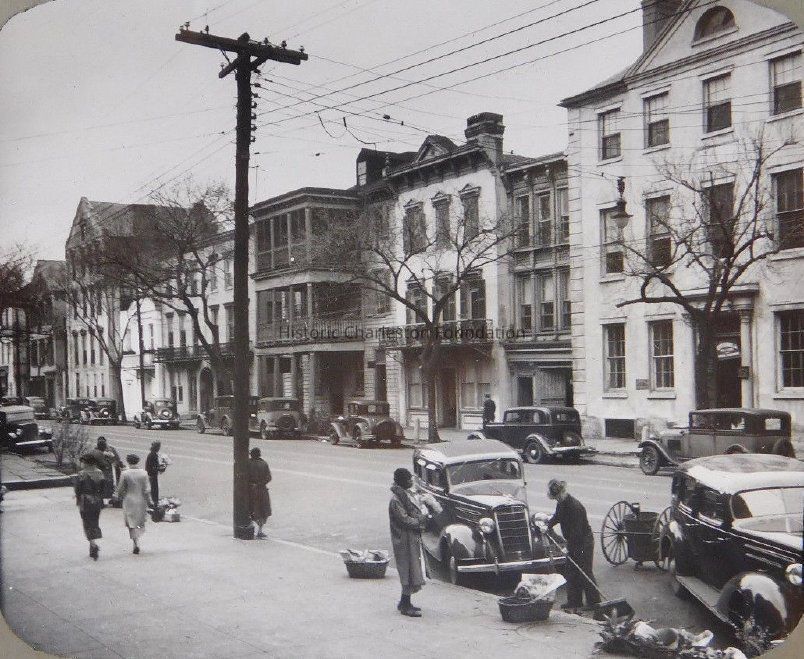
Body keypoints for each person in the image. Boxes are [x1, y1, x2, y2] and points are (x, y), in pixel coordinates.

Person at [546, 479, 601, 613]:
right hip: (574, 541)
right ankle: (574, 600)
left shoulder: (574, 507)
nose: (556, 499)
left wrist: (568, 548)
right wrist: (547, 526)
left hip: (583, 542)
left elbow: (576, 532)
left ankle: (594, 602)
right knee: (571, 572)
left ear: (561, 493)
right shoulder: (561, 503)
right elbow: (557, 517)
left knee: (584, 572)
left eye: (557, 497)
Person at [389, 467, 429, 618]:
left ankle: (404, 602)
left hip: (409, 539)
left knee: (411, 570)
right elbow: (404, 520)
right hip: (403, 541)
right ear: (402, 481)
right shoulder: (396, 500)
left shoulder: (404, 496)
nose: (411, 481)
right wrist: (420, 521)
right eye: (409, 479)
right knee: (407, 571)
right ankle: (405, 605)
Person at [115, 454, 153, 554]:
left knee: (131, 522)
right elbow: (147, 489)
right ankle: (137, 538)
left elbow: (120, 488)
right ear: (137, 461)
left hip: (129, 500)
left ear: (128, 461)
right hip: (141, 500)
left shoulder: (125, 473)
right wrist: (150, 501)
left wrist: (118, 496)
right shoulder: (144, 473)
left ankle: (135, 542)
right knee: (139, 522)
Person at [74, 453, 105, 560]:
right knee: (94, 522)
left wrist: (78, 500)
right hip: (97, 500)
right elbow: (103, 487)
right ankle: (92, 547)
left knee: (86, 523)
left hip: (85, 501)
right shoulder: (100, 473)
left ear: (86, 463)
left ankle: (93, 544)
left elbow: (78, 489)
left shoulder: (81, 474)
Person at [248, 447, 272, 538]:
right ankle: (260, 531)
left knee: (251, 509)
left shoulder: (248, 463)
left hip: (251, 490)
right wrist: (260, 484)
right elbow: (269, 477)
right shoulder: (264, 463)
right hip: (262, 490)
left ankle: (250, 527)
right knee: (263, 510)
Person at [90, 436, 123, 502]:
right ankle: (103, 499)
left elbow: (117, 459)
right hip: (103, 471)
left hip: (108, 471)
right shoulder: (96, 450)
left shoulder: (111, 449)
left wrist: (114, 463)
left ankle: (109, 498)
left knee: (109, 486)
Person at [145, 441, 162, 505]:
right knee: (154, 488)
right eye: (159, 447)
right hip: (152, 474)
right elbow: (153, 466)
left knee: (154, 488)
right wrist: (159, 468)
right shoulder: (153, 455)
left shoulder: (152, 454)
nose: (159, 448)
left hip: (151, 473)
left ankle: (154, 500)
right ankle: (155, 501)